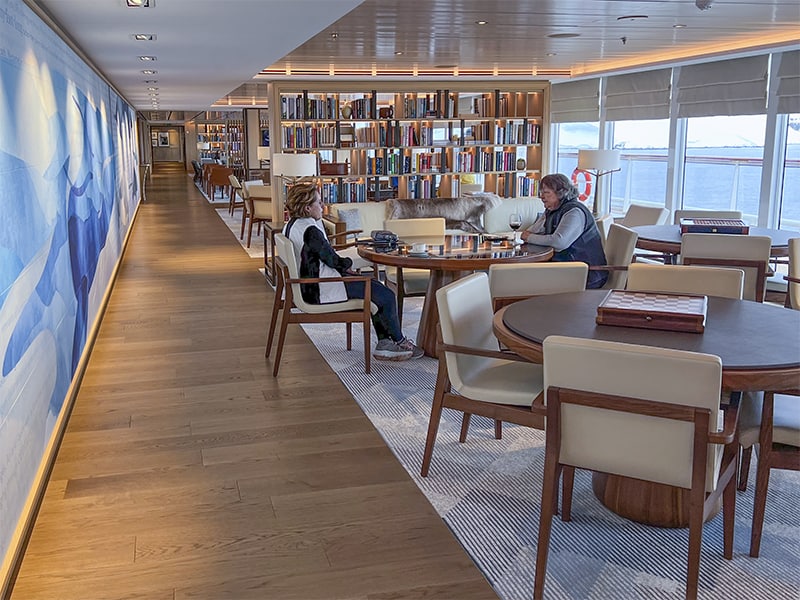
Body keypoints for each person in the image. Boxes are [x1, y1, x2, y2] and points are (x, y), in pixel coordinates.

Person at [282, 181, 423, 361]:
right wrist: (349, 263)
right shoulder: (310, 230)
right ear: (308, 208)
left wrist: (345, 267)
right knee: (386, 295)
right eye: (319, 202)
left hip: (310, 286)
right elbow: (333, 260)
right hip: (321, 289)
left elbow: (324, 257)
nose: (323, 206)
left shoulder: (292, 225)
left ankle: (385, 344)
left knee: (374, 287)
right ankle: (399, 341)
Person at [520, 173, 608, 289]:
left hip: (586, 273)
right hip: (567, 267)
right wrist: (534, 230)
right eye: (541, 192)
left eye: (546, 192)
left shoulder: (574, 212)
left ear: (561, 193)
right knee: (523, 274)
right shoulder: (553, 209)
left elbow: (559, 243)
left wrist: (530, 237)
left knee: (527, 278)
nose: (542, 197)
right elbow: (532, 231)